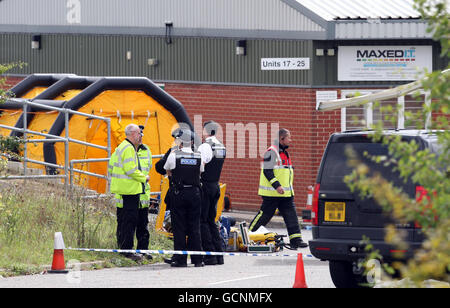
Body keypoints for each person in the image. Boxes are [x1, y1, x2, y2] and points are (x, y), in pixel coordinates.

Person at [249, 128, 308, 249]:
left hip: (285, 194)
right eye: (289, 138)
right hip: (272, 193)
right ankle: (249, 234)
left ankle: (296, 239)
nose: (290, 140)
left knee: (291, 216)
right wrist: (277, 186)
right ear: (282, 139)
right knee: (265, 215)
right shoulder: (272, 152)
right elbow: (267, 171)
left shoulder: (284, 152)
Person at [109, 123, 151, 261]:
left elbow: (111, 168)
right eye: (139, 133)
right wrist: (144, 178)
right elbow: (130, 170)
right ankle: (127, 251)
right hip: (130, 190)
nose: (141, 136)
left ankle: (125, 249)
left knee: (125, 221)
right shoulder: (128, 148)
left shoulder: (121, 147)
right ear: (133, 134)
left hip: (125, 190)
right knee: (129, 222)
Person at [164, 128, 204, 267]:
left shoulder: (174, 155)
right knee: (195, 226)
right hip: (195, 194)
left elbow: (168, 170)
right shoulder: (198, 155)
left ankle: (181, 259)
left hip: (179, 193)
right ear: (192, 142)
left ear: (180, 142)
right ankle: (198, 259)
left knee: (179, 226)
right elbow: (200, 172)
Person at [197, 121, 226, 265]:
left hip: (205, 186)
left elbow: (200, 167)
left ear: (206, 131)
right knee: (211, 221)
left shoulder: (205, 146)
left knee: (202, 221)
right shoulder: (221, 146)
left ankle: (209, 255)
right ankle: (219, 254)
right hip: (216, 185)